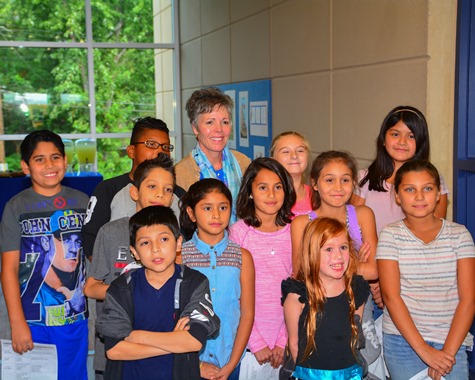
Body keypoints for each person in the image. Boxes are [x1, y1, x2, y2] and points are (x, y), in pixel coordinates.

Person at [0, 130, 89, 380]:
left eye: (55, 157)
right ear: (25, 166)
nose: (49, 165)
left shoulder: (82, 201)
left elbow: (93, 256)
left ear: (65, 160)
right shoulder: (15, 207)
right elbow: (8, 269)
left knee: (73, 375)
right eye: (39, 159)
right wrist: (17, 324)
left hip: (74, 316)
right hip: (32, 320)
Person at [95, 206, 221, 380]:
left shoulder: (194, 283)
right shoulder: (121, 288)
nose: (155, 249)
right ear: (134, 252)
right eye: (145, 243)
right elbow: (115, 351)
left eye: (163, 239)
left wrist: (135, 336)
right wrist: (175, 341)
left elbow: (193, 341)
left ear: (178, 243)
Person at [377, 160, 475, 380]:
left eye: (427, 188)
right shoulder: (390, 235)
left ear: (438, 194)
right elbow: (391, 298)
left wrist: (446, 354)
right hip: (403, 342)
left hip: (452, 338)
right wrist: (425, 351)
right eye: (410, 189)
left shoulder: (459, 235)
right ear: (398, 196)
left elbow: (468, 300)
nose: (419, 196)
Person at [84, 154, 177, 379]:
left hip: (162, 344)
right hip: (118, 346)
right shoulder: (111, 232)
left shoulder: (175, 236)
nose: (160, 194)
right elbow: (91, 288)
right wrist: (131, 292)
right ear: (134, 192)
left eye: (168, 190)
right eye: (152, 186)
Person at [290, 151, 380, 377]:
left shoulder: (362, 215)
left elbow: (374, 270)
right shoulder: (303, 223)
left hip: (356, 301)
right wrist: (355, 261)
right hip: (317, 306)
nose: (338, 187)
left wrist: (326, 264)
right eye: (329, 180)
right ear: (315, 184)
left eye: (345, 180)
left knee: (363, 355)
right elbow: (301, 271)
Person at [180, 178, 255, 380]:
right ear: (191, 213)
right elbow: (171, 314)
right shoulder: (180, 256)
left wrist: (231, 364)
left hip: (230, 360)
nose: (216, 215)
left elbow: (247, 313)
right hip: (188, 360)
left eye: (223, 207)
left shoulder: (242, 257)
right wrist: (196, 363)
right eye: (207, 208)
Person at [230, 157, 295, 379]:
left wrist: (283, 340)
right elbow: (234, 294)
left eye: (278, 187)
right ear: (249, 192)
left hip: (286, 342)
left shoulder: (295, 231)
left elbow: (299, 289)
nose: (271, 194)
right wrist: (255, 342)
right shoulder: (238, 233)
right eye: (263, 187)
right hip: (248, 347)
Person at [82, 116, 184, 259]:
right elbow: (91, 243)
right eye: (151, 144)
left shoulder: (178, 194)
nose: (160, 151)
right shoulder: (108, 190)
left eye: (165, 147)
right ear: (131, 151)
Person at [282, 217, 370, 379]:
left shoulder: (356, 290)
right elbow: (293, 345)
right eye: (329, 249)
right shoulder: (297, 296)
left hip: (350, 374)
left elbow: (353, 335)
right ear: (311, 253)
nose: (338, 256)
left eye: (343, 247)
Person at [352, 106, 449, 235]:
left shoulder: (433, 180)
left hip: (414, 253)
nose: (402, 142)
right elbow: (351, 228)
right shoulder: (363, 179)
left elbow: (435, 229)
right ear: (383, 139)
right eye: (395, 134)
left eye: (411, 136)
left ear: (421, 142)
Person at [175, 87, 251, 224]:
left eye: (225, 122)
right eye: (210, 122)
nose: (219, 130)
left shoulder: (244, 163)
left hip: (243, 243)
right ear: (194, 128)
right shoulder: (180, 174)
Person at [270, 131, 312, 217]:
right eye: (286, 152)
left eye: (300, 151)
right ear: (273, 159)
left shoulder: (318, 197)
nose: (294, 156)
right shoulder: (268, 198)